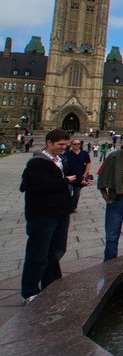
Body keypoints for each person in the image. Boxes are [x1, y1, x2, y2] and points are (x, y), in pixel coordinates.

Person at [19, 129, 81, 303]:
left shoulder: (62, 160)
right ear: (49, 143)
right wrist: (66, 181)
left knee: (56, 251)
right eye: (60, 145)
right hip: (43, 214)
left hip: (60, 212)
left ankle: (51, 285)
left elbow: (72, 177)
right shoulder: (37, 163)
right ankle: (30, 291)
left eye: (65, 145)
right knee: (38, 253)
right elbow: (42, 186)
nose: (64, 148)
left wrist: (80, 181)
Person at [62, 138, 93, 213]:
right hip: (69, 177)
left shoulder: (84, 153)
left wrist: (85, 174)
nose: (77, 145)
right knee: (68, 192)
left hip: (80, 177)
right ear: (71, 145)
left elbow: (88, 163)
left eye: (78, 144)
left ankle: (73, 207)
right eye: (75, 144)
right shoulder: (66, 154)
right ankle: (67, 206)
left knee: (77, 194)